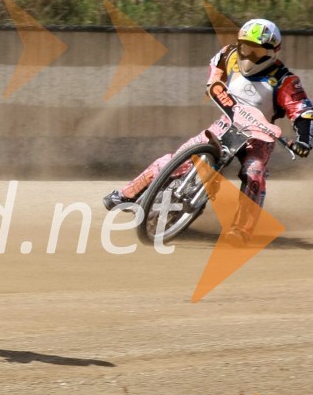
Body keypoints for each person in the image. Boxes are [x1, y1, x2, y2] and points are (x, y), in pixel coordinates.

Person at [103, 18, 313, 244]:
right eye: (245, 48)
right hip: (225, 124)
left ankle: (241, 229)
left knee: (255, 173)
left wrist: (303, 141)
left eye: (257, 51)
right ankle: (127, 194)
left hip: (259, 137)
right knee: (178, 158)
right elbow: (214, 81)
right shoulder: (228, 55)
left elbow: (303, 112)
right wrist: (234, 108)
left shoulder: (285, 80)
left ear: (273, 51)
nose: (248, 55)